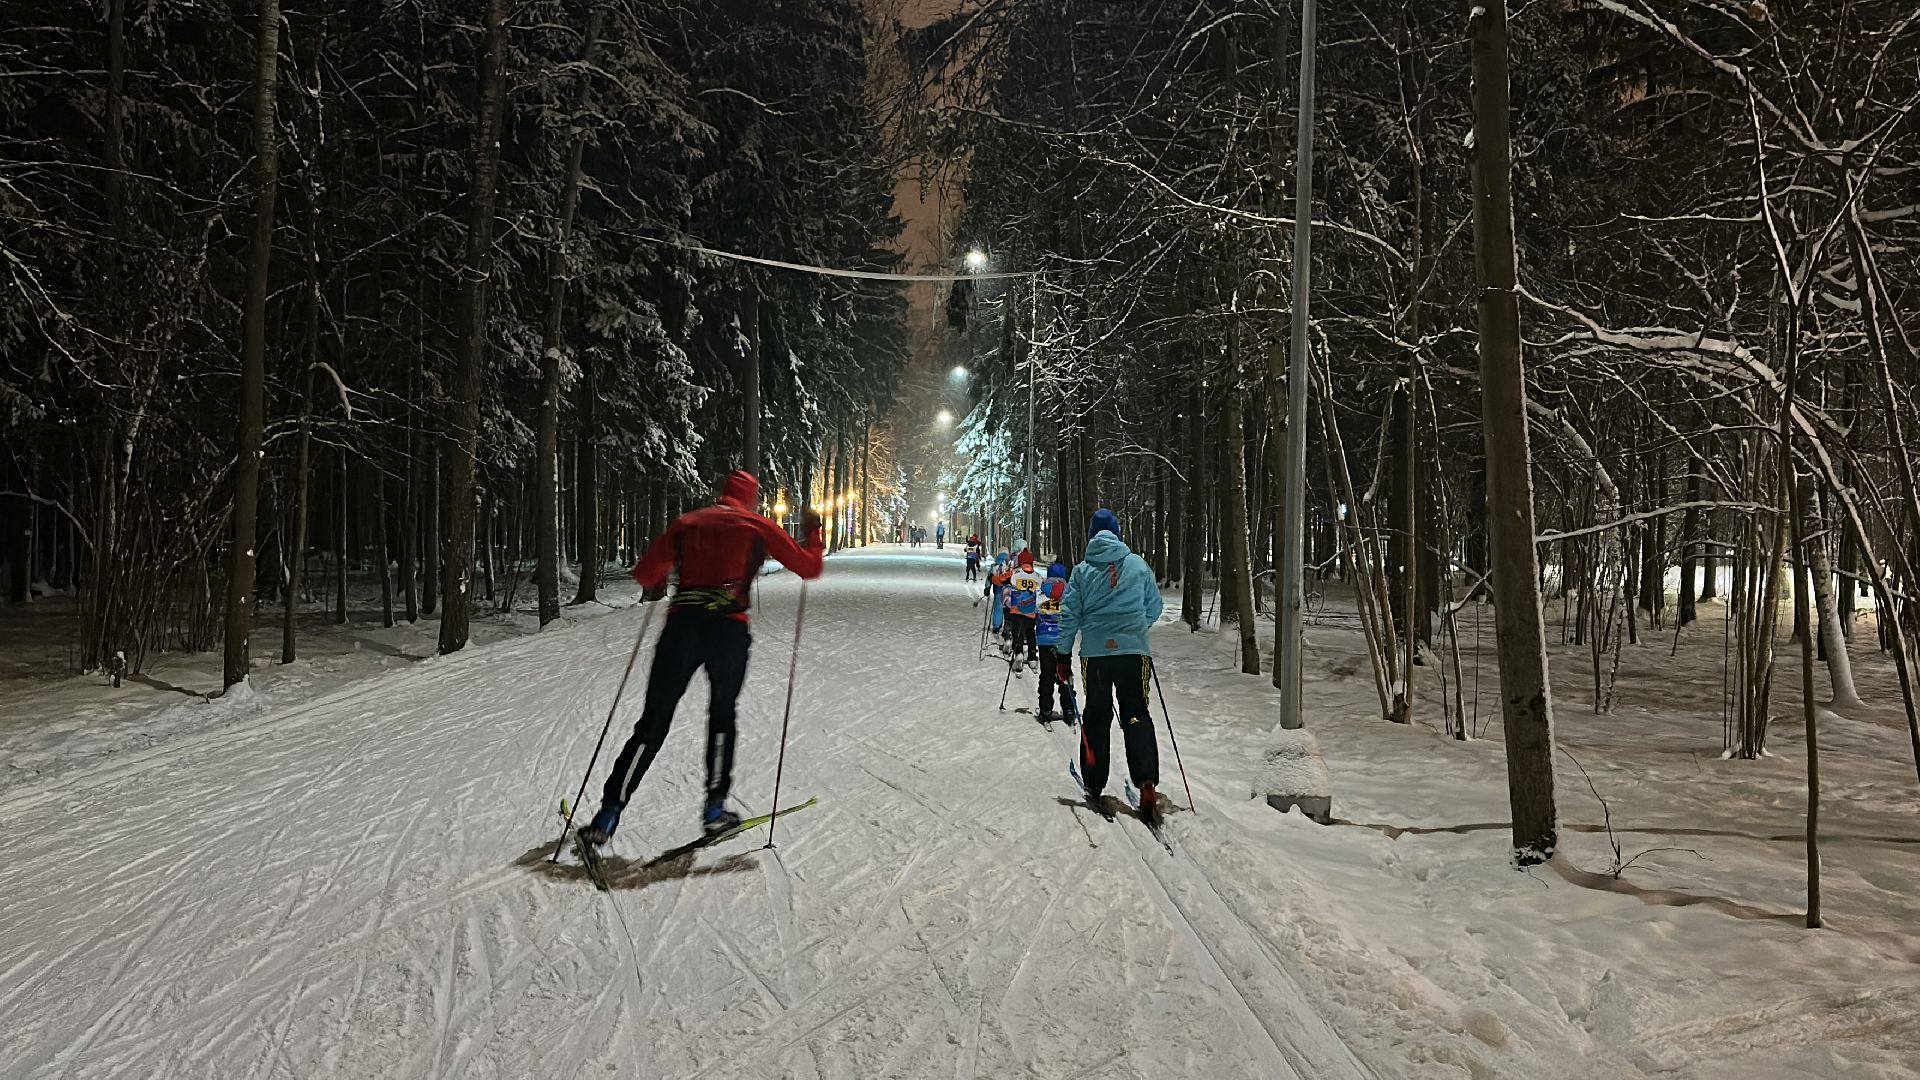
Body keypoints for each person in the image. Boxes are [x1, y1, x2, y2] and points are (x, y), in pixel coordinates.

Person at [578, 471, 824, 848]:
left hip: (682, 629)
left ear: (721, 494)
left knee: (654, 722)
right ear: (751, 498)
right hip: (728, 631)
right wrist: (813, 532)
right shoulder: (757, 525)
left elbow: (645, 575)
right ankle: (714, 810)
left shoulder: (688, 522)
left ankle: (608, 813)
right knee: (722, 714)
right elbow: (809, 568)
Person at [1056, 508, 1165, 823]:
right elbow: (1154, 607)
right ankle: (1146, 780)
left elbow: (1070, 614)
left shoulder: (1081, 571)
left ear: (1092, 535)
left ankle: (1093, 780)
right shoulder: (1137, 565)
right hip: (1134, 654)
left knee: (1097, 714)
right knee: (1135, 712)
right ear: (1118, 534)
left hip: (1097, 655)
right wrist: (1134, 628)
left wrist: (1063, 656)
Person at [1036, 560, 1076, 723]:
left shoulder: (1042, 591)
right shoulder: (1070, 593)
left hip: (1045, 639)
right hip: (1063, 640)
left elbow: (1032, 608)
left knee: (1047, 674)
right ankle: (1068, 710)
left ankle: (1045, 710)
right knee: (1064, 673)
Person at [1004, 549, 1041, 671]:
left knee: (1017, 630)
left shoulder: (1015, 573)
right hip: (1030, 610)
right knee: (1030, 632)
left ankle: (1018, 651)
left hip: (1016, 608)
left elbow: (1004, 580)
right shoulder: (1037, 576)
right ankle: (1032, 657)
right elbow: (1042, 587)